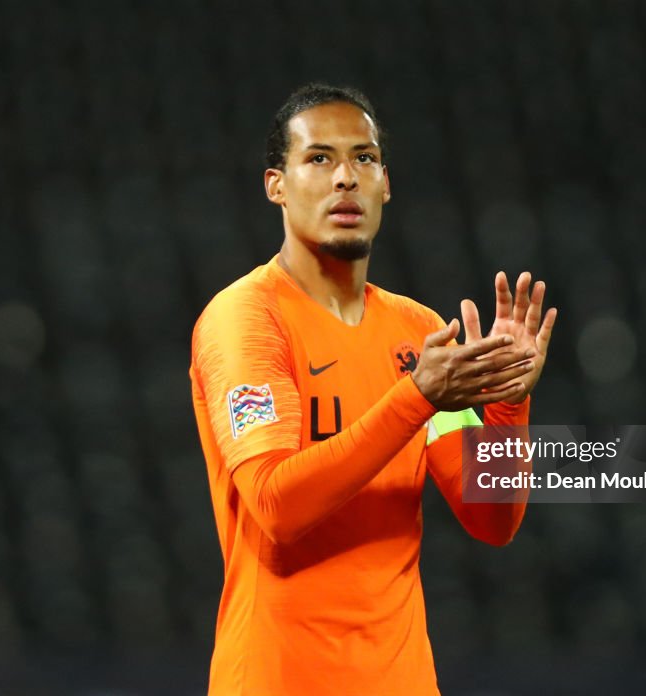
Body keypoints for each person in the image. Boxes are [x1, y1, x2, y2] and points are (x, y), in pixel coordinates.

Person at [189, 83, 556, 695]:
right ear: (276, 185)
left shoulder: (418, 334)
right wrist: (415, 399)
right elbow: (277, 506)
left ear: (386, 182)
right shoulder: (247, 319)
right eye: (319, 158)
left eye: (363, 158)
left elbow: (491, 519)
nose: (345, 179)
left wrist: (508, 402)